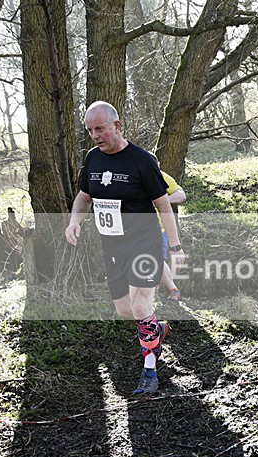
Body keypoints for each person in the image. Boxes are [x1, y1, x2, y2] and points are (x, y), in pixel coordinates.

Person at [65, 101, 185, 394]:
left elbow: (163, 205)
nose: (95, 135)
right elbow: (84, 196)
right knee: (124, 311)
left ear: (117, 126)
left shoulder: (141, 161)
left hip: (144, 242)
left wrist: (176, 247)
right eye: (90, 130)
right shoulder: (93, 159)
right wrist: (74, 221)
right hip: (113, 246)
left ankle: (149, 369)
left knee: (142, 304)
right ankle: (156, 330)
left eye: (100, 129)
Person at [159, 171, 186, 301]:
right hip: (132, 227)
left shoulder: (162, 176)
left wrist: (162, 201)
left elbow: (181, 195)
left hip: (159, 227)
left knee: (156, 259)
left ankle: (172, 289)